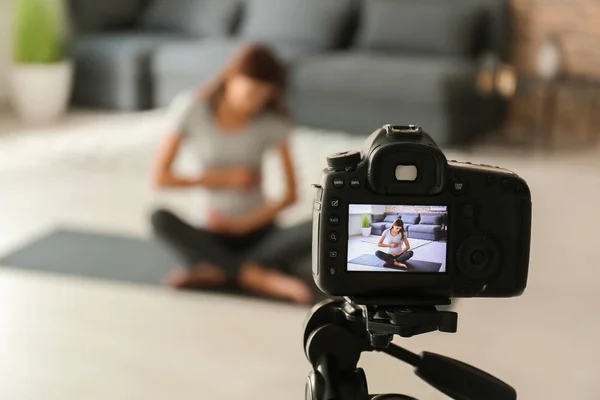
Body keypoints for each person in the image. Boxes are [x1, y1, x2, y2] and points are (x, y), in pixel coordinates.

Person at [150, 44, 313, 304]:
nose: (254, 104)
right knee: (159, 218)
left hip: (260, 234)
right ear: (230, 78)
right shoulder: (191, 109)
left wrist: (243, 225)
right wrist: (223, 178)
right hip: (211, 233)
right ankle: (258, 277)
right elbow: (161, 177)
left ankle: (220, 271)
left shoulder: (272, 122)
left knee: (322, 224)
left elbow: (291, 194)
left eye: (263, 97)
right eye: (249, 93)